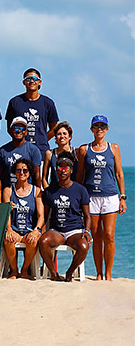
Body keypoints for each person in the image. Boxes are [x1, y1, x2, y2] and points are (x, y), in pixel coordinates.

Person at [76, 115, 127, 281]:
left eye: (102, 126)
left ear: (107, 129)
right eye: (96, 126)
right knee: (96, 237)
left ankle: (109, 274)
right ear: (91, 129)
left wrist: (123, 197)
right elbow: (80, 175)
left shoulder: (114, 148)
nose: (99, 129)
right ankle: (99, 274)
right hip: (91, 198)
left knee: (109, 236)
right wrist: (78, 197)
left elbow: (119, 173)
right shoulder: (84, 149)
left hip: (110, 197)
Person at [39, 157, 92, 282]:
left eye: (66, 168)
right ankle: (54, 274)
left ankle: (69, 272)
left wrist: (87, 231)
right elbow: (46, 215)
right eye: (60, 168)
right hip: (57, 231)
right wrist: (41, 230)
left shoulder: (80, 190)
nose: (63, 171)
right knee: (43, 241)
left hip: (75, 231)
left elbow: (87, 215)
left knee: (84, 246)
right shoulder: (49, 191)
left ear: (71, 170)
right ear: (56, 170)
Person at [2, 158, 45, 279]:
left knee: (33, 240)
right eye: (18, 170)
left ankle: (24, 271)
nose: (22, 173)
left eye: (25, 170)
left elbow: (41, 215)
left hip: (29, 230)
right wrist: (9, 229)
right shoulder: (8, 191)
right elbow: (5, 214)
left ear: (29, 172)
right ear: (14, 173)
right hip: (15, 229)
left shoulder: (36, 191)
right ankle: (14, 271)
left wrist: (36, 230)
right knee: (8, 239)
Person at [5, 68, 59, 157]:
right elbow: (9, 127)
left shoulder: (48, 103)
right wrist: (19, 140)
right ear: (24, 82)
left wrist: (43, 139)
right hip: (19, 150)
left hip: (41, 150)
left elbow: (54, 128)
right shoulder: (14, 102)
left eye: (35, 79)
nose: (32, 81)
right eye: (28, 79)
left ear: (39, 82)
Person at [0, 117, 42, 190]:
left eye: (22, 128)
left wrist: (37, 195)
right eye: (16, 128)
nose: (19, 130)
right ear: (11, 130)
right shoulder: (2, 150)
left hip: (26, 193)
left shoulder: (34, 150)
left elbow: (37, 176)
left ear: (26, 132)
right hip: (7, 193)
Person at [42, 121, 78, 189]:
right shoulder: (49, 153)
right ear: (55, 138)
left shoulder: (76, 152)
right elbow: (44, 178)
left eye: (64, 133)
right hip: (55, 192)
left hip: (73, 192)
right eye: (59, 134)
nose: (62, 136)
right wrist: (48, 193)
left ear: (70, 136)